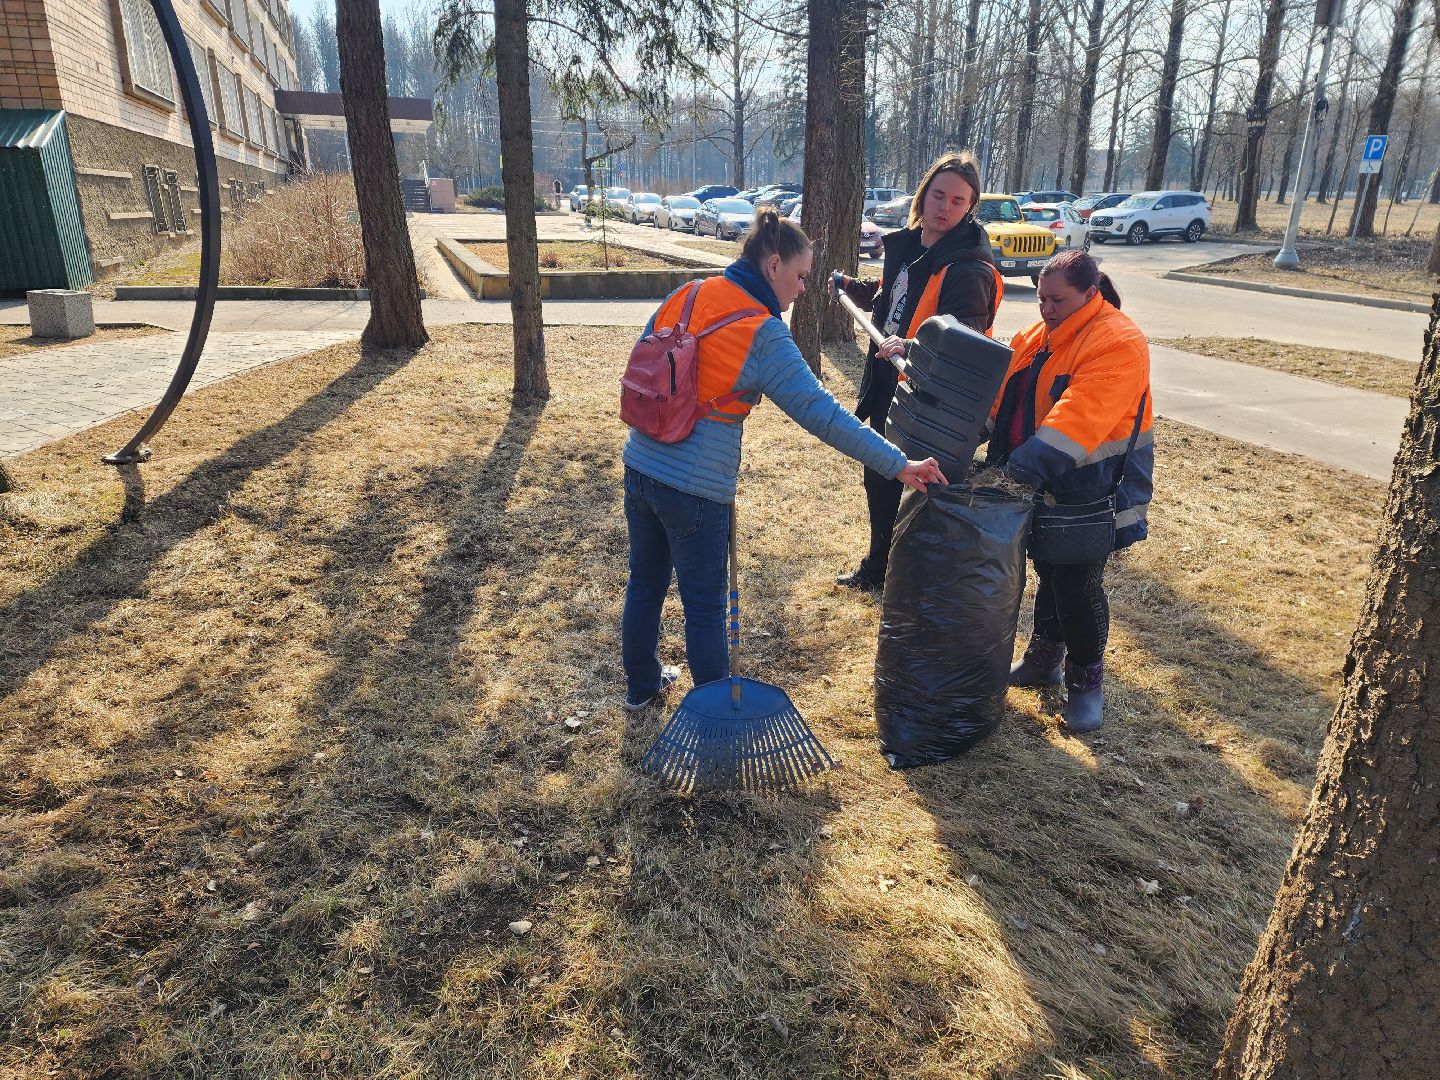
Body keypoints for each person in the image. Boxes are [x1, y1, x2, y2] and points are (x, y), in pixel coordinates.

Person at [621, 208, 947, 711]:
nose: (801, 290)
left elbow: (646, 362)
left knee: (645, 579)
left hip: (640, 464)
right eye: (799, 277)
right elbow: (822, 413)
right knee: (706, 605)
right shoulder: (763, 332)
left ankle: (641, 689)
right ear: (773, 265)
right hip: (696, 487)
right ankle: (712, 719)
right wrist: (898, 464)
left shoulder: (687, 292)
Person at [984, 248, 1153, 734]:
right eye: (1040, 298)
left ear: (1090, 294)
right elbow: (1004, 397)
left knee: (1077, 583)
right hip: (1042, 477)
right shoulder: (1039, 336)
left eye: (1056, 300)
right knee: (1049, 569)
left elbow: (1079, 418)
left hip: (1092, 483)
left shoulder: (1117, 341)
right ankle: (1043, 660)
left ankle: (1086, 684)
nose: (1045, 308)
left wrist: (1015, 470)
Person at [830, 152, 1002, 591]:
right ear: (924, 195)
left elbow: (965, 339)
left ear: (970, 207)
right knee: (880, 470)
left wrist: (908, 345)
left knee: (923, 485)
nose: (945, 207)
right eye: (938, 195)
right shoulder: (911, 247)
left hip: (928, 394)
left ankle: (917, 575)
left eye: (958, 201)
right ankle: (878, 566)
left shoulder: (968, 268)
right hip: (889, 378)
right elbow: (896, 295)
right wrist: (857, 290)